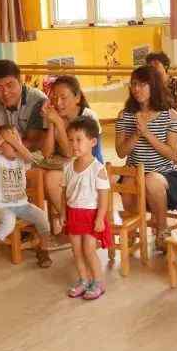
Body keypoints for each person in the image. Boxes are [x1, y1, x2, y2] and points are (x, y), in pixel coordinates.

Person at [115, 65, 177, 251]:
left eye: (143, 84)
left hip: (164, 175)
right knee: (129, 179)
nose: (137, 89)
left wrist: (147, 133)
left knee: (151, 180)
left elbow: (171, 154)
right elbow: (121, 152)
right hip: (135, 172)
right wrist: (137, 134)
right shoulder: (125, 115)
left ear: (154, 86)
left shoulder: (170, 115)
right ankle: (131, 228)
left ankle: (162, 229)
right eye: (134, 84)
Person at [0, 125, 52, 271]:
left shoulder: (22, 159)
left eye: (16, 138)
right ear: (0, 147)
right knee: (9, 222)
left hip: (22, 204)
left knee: (42, 217)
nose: (14, 143)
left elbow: (30, 157)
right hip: (1, 206)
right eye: (9, 141)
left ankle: (43, 250)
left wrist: (14, 142)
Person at [41, 75, 103, 233]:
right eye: (54, 98)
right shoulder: (54, 115)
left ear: (77, 98)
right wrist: (52, 123)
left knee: (51, 178)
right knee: (39, 175)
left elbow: (71, 153)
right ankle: (71, 224)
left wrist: (58, 123)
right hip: (70, 167)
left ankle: (76, 225)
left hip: (90, 170)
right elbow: (46, 153)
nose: (58, 103)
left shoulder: (88, 116)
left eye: (63, 97)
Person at [62, 117, 111, 300]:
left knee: (89, 249)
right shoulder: (68, 167)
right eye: (71, 140)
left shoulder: (97, 169)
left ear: (93, 142)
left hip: (91, 215)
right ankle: (83, 279)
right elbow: (64, 192)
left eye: (79, 140)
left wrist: (100, 218)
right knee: (76, 250)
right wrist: (62, 213)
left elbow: (104, 196)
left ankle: (98, 282)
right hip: (73, 213)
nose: (74, 144)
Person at [0, 59, 47, 151]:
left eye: (9, 85)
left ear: (20, 81)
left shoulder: (37, 101)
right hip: (5, 152)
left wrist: (3, 145)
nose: (5, 93)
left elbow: (33, 142)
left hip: (34, 154)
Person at [145, 51, 177, 160]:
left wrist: (172, 120)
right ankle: (155, 162)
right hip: (159, 120)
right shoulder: (150, 85)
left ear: (165, 66)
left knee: (175, 131)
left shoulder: (176, 81)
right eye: (150, 65)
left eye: (156, 64)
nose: (153, 67)